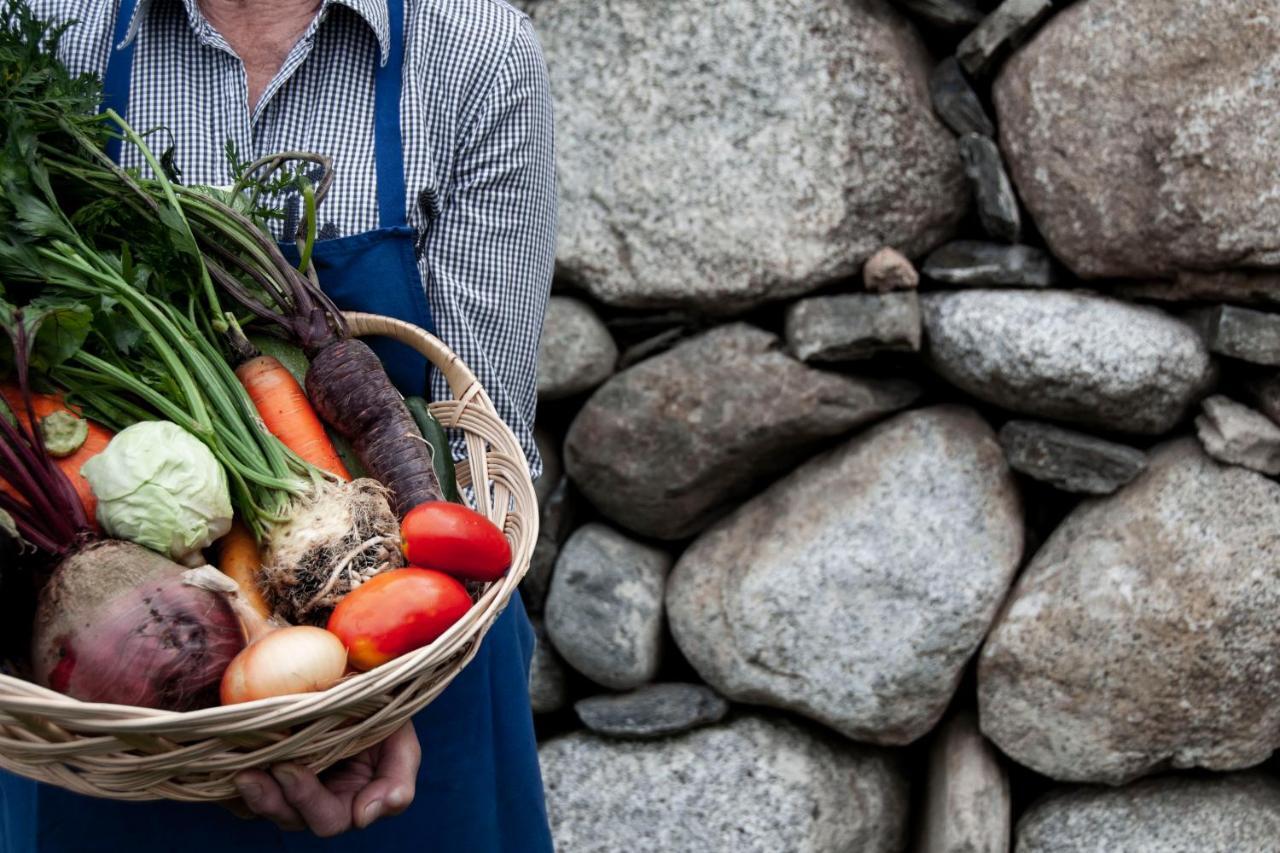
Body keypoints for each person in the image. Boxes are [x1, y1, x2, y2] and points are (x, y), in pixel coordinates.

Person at [0, 0, 557, 850]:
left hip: (412, 685)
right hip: (107, 710)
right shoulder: (48, 25)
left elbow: (481, 443)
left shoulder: (472, 50)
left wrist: (377, 703)